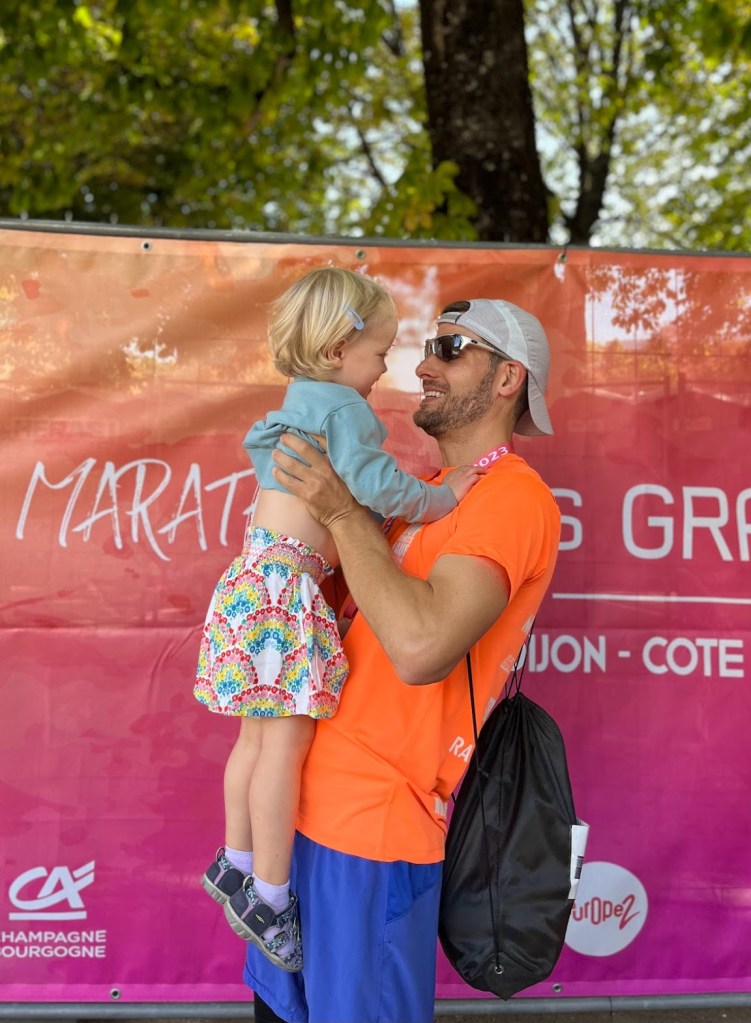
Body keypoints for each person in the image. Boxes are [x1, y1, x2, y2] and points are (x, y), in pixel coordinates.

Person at [242, 297, 562, 1023]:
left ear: (507, 376)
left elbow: (419, 648)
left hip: (373, 832)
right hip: (295, 817)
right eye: (425, 346)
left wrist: (339, 511)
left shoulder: (512, 497)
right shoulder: (417, 498)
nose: (421, 364)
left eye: (449, 348)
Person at [193, 268, 483, 973]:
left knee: (254, 742)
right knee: (286, 747)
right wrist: (444, 500)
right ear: (335, 354)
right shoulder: (343, 409)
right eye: (378, 353)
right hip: (288, 587)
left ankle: (233, 862)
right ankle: (269, 893)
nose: (386, 367)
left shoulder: (291, 406)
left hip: (249, 578)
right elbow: (376, 483)